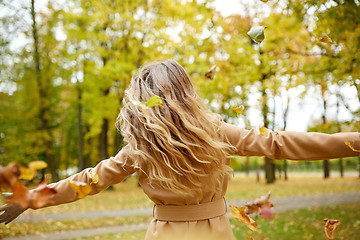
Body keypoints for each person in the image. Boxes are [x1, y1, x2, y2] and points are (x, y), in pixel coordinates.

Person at [0, 60, 359, 239]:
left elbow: (88, 181)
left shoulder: (138, 147)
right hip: (216, 231)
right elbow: (279, 142)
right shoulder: (215, 131)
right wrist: (353, 141)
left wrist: (29, 198)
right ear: (186, 92)